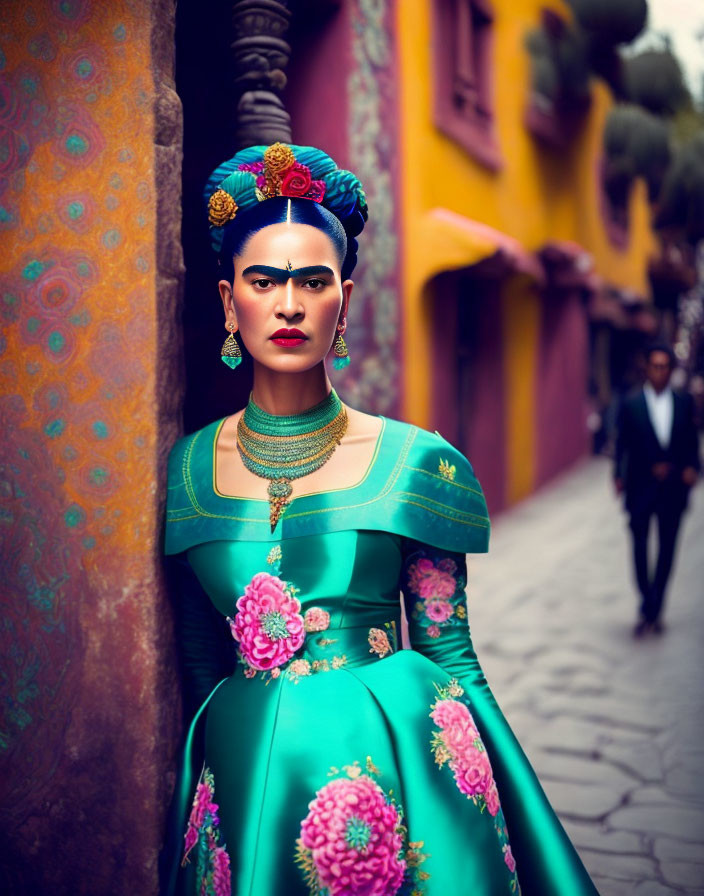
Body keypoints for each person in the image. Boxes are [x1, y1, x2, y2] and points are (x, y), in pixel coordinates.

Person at [162, 143, 599, 895]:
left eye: (312, 281)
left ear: (346, 300)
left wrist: (527, 833)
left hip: (399, 770)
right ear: (230, 302)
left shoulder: (414, 464)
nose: (289, 305)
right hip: (244, 783)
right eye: (264, 282)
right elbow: (201, 667)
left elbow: (453, 656)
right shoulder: (188, 469)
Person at [614, 344, 700, 636]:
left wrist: (692, 468)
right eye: (656, 366)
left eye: (665, 366)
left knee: (667, 550)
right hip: (640, 488)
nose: (660, 371)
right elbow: (622, 445)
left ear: (671, 370)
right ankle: (646, 599)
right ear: (647, 369)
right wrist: (618, 477)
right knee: (639, 546)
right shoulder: (631, 403)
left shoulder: (684, 402)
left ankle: (656, 606)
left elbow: (691, 441)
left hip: (673, 489)